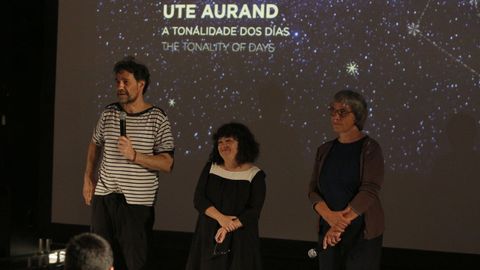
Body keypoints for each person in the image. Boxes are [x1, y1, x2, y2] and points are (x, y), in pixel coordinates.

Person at [82, 56, 175, 270]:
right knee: (99, 259)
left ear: (141, 85)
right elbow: (95, 144)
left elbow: (167, 163)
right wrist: (88, 177)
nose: (120, 86)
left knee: (135, 262)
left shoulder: (157, 118)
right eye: (117, 81)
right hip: (104, 197)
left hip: (136, 203)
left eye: (125, 82)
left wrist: (135, 155)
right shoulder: (109, 113)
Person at [308, 90, 384, 270]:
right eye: (332, 111)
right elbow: (313, 190)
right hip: (329, 227)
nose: (335, 116)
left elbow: (369, 189)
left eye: (342, 112)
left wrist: (339, 225)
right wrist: (330, 218)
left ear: (357, 116)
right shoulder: (324, 149)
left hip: (361, 231)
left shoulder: (370, 148)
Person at [185, 122, 266, 270]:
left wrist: (227, 227)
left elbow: (253, 212)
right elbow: (199, 200)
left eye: (228, 141)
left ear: (242, 143)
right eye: (220, 142)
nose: (223, 145)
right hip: (209, 235)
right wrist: (221, 219)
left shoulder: (255, 174)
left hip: (240, 238)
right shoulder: (211, 167)